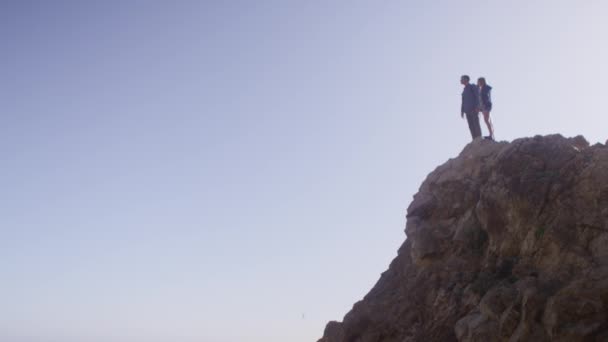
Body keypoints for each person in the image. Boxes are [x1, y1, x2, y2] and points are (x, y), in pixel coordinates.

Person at [460, 75, 481, 140]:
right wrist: (462, 111)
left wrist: (477, 107)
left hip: (473, 109)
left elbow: (477, 97)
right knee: (471, 126)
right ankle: (474, 139)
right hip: (467, 111)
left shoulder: (472, 87)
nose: (460, 80)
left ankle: (479, 138)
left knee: (476, 124)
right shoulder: (464, 91)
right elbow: (463, 102)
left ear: (466, 79)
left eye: (462, 79)